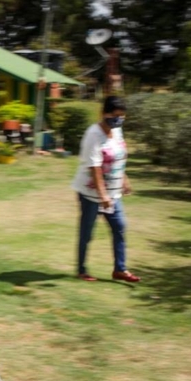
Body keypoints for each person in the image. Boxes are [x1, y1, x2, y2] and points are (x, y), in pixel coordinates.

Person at [71, 95, 141, 283]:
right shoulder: (93, 135)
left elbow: (118, 157)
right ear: (103, 113)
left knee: (120, 227)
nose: (118, 119)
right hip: (91, 193)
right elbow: (94, 168)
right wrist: (102, 195)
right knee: (87, 233)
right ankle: (81, 270)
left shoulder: (116, 130)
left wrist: (124, 179)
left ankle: (120, 269)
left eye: (122, 116)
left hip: (112, 193)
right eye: (115, 115)